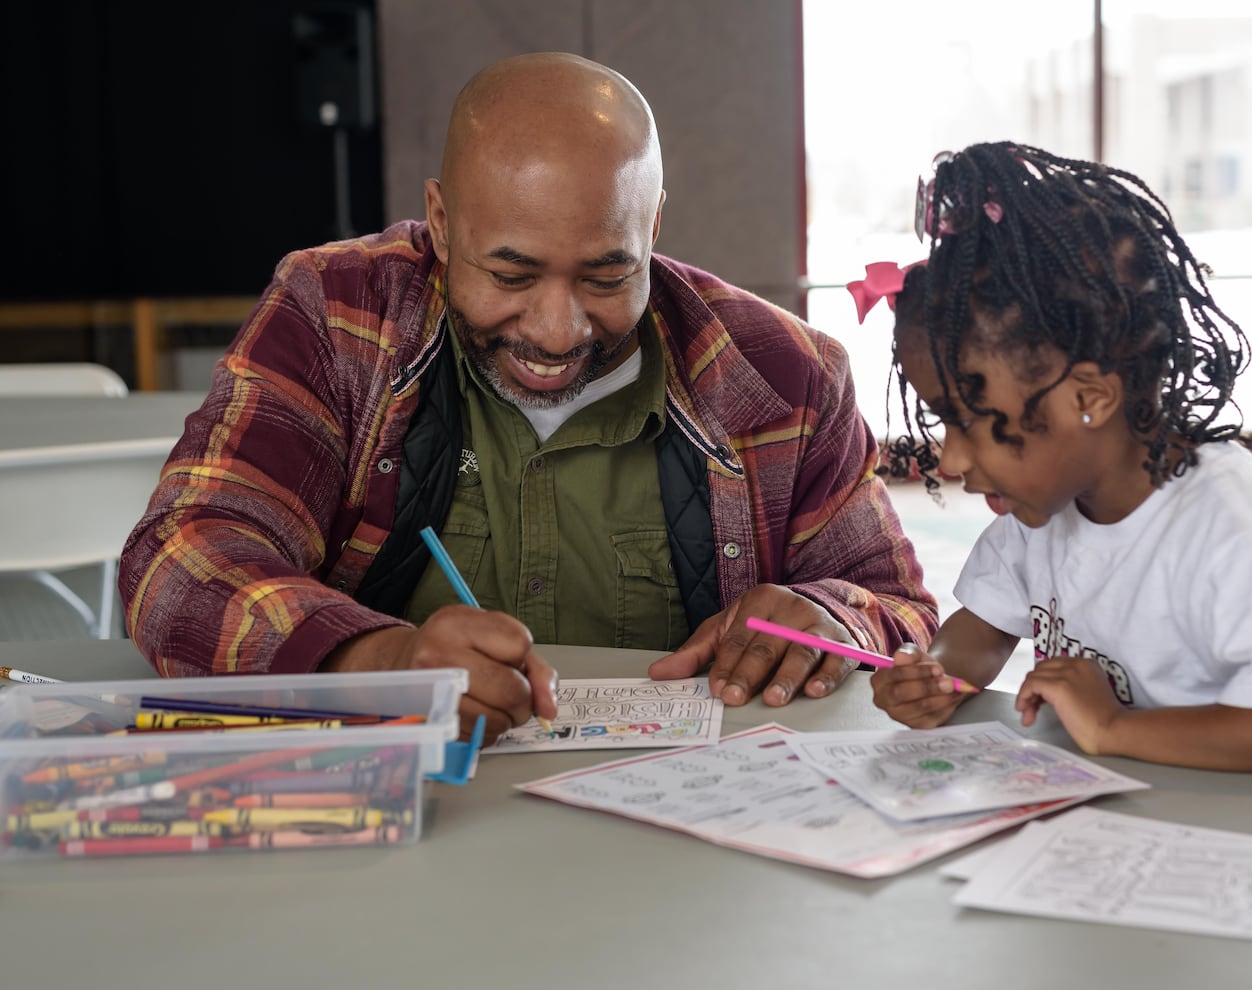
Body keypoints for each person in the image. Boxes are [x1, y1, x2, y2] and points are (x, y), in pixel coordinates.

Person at [119, 52, 936, 740]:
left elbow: (897, 609)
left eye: (607, 274)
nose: (555, 330)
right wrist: (378, 661)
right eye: (509, 274)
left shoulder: (784, 374)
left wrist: (830, 617)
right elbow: (180, 561)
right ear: (440, 222)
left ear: (652, 227)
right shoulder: (335, 315)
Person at [864, 141, 1252, 772]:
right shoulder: (1039, 517)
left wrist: (1111, 728)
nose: (955, 461)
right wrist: (940, 677)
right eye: (945, 422)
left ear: (1089, 398)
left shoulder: (1230, 525)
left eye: (973, 422)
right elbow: (982, 628)